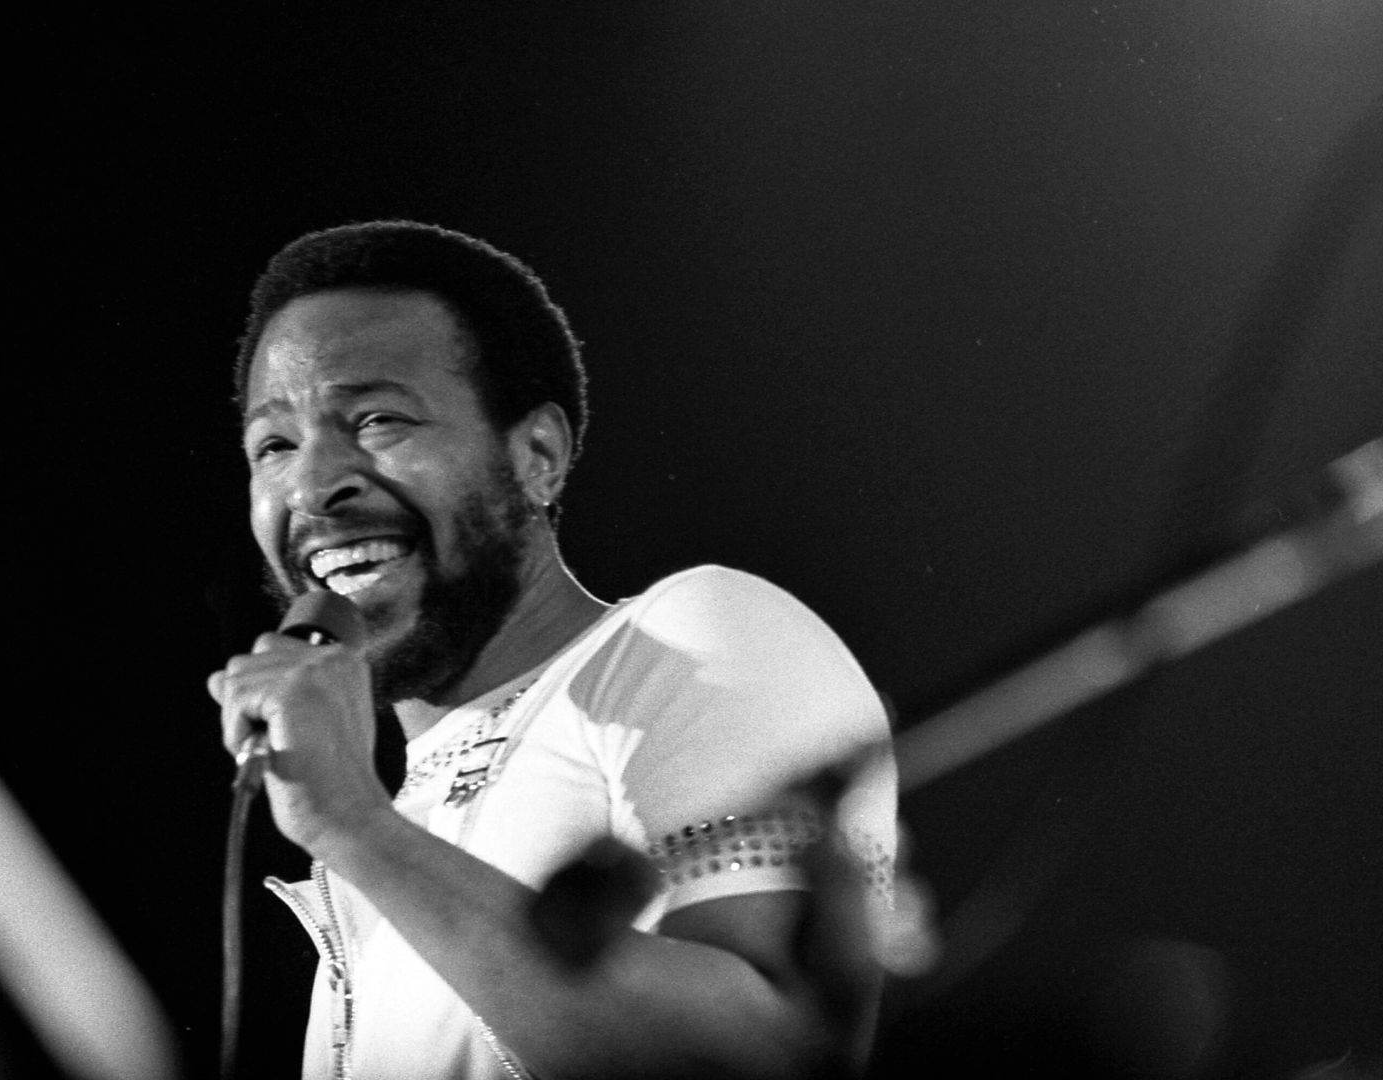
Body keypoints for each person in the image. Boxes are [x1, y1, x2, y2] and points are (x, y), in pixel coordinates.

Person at [206, 220, 898, 1079]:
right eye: (274, 445)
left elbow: (778, 1058)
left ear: (537, 455)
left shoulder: (691, 635)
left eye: (379, 419)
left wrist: (352, 823)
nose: (314, 486)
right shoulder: (395, 825)